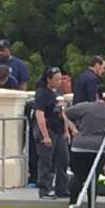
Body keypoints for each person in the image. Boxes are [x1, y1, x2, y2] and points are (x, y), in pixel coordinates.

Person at [64, 87, 105, 207]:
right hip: (100, 149)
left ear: (97, 95)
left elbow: (64, 113)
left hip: (79, 146)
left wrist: (72, 128)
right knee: (94, 177)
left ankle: (72, 204)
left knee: (78, 175)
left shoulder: (85, 106)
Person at [32, 67, 72, 199]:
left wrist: (66, 130)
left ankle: (62, 188)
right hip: (48, 129)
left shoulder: (57, 93)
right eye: (56, 79)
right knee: (46, 161)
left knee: (63, 160)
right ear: (48, 80)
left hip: (59, 130)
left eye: (60, 79)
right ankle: (45, 189)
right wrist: (45, 135)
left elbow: (62, 113)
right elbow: (40, 114)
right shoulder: (42, 93)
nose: (59, 82)